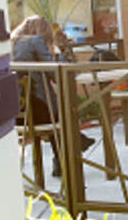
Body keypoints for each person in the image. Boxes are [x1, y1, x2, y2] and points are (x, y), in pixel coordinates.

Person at [12, 16, 94, 176]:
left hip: (17, 114)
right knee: (65, 115)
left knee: (58, 116)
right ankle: (71, 154)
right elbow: (57, 74)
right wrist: (57, 52)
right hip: (38, 111)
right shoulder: (36, 41)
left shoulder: (12, 43)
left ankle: (64, 159)